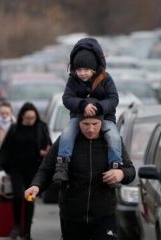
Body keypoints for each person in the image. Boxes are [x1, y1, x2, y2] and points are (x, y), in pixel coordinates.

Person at [25, 112, 136, 240]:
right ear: (78, 123)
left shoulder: (113, 143)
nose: (90, 129)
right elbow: (46, 169)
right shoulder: (65, 142)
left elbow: (130, 171)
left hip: (104, 214)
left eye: (95, 124)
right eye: (86, 124)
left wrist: (121, 173)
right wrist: (36, 185)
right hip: (72, 215)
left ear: (102, 123)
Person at [53, 37, 121, 183]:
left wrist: (99, 107)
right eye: (79, 70)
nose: (82, 73)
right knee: (67, 133)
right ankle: (62, 164)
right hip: (79, 117)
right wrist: (82, 105)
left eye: (86, 70)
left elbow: (114, 99)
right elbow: (67, 98)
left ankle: (115, 166)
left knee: (114, 137)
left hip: (105, 118)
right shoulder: (73, 80)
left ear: (94, 68)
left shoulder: (105, 79)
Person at [0, 102, 51, 240]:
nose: (30, 121)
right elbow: (5, 149)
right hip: (16, 168)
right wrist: (5, 166)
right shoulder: (15, 128)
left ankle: (27, 231)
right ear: (21, 116)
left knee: (29, 199)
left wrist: (44, 152)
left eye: (32, 118)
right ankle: (16, 226)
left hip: (33, 169)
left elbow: (48, 146)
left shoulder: (41, 127)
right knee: (17, 196)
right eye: (27, 118)